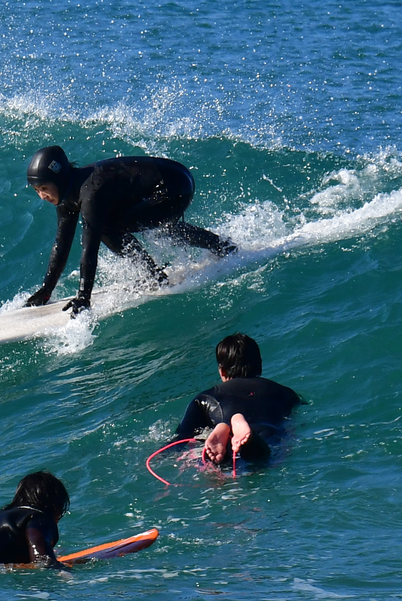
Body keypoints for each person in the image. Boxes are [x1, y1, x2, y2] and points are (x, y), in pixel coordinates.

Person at [23, 146, 236, 314]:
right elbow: (62, 244)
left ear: (59, 180)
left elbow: (90, 248)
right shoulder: (67, 197)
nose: (42, 196)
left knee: (110, 226)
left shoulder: (90, 194)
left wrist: (83, 297)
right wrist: (46, 290)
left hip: (174, 187)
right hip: (169, 181)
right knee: (137, 225)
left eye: (44, 188)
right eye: (37, 190)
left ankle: (211, 251)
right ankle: (218, 247)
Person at [173, 333, 302, 464]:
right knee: (263, 457)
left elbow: (180, 440)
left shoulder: (206, 397)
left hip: (230, 440)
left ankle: (226, 427)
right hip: (267, 433)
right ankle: (247, 436)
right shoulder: (285, 392)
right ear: (260, 365)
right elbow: (292, 427)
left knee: (218, 462)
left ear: (222, 371)